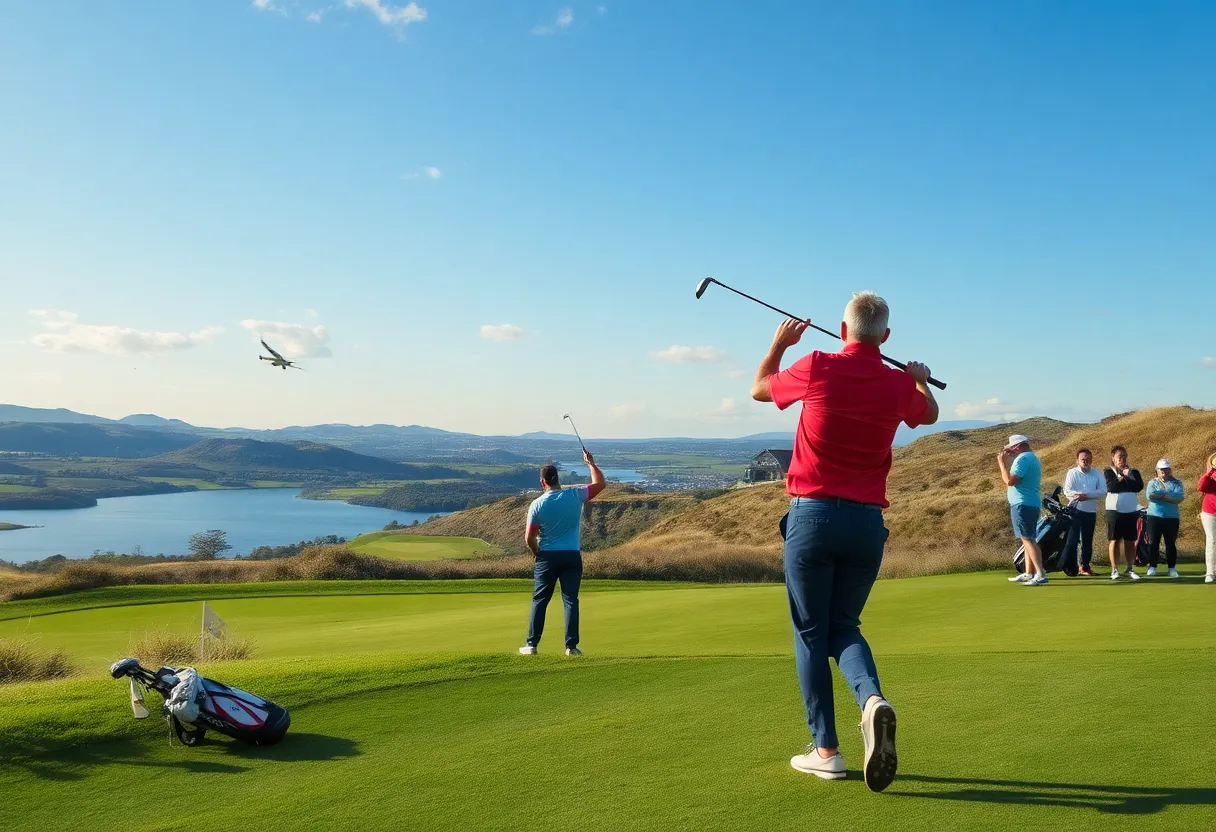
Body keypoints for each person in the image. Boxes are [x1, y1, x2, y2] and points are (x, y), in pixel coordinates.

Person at [751, 291, 938, 792]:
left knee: (812, 633)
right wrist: (919, 381)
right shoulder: (900, 384)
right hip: (866, 525)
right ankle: (871, 701)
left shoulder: (816, 364)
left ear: (841, 329)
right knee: (843, 627)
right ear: (887, 336)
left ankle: (826, 750)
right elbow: (931, 413)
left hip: (812, 519)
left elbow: (759, 389)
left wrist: (777, 344)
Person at [518, 449, 606, 657]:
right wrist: (591, 464)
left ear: (543, 482)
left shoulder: (537, 504)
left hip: (547, 556)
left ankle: (531, 645)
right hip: (571, 556)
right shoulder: (574, 495)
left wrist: (536, 552)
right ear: (558, 479)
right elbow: (600, 484)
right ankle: (571, 647)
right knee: (570, 600)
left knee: (540, 600)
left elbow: (529, 537)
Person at [999, 435, 1045, 585]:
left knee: (1028, 539)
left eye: (1012, 447)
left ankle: (1040, 574)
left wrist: (1002, 463)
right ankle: (1028, 573)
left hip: (1023, 504)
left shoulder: (1023, 459)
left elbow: (1010, 481)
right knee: (1027, 539)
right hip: (1027, 503)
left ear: (1019, 446)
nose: (1010, 450)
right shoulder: (1029, 457)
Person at [1062, 449, 1106, 576]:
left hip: (1090, 511)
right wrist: (1078, 495)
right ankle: (1071, 568)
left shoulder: (1096, 473)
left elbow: (1103, 491)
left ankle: (1085, 567)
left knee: (1087, 541)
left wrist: (1086, 495)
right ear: (1077, 460)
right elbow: (1067, 492)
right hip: (1075, 511)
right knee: (1072, 541)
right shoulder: (1072, 473)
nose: (1086, 461)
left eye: (1088, 459)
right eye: (1083, 459)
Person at [1104, 446, 1144, 580]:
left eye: (1124, 456)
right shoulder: (1108, 471)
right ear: (1113, 458)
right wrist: (1122, 479)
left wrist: (1128, 477)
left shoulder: (1133, 471)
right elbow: (1111, 487)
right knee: (1114, 540)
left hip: (1131, 509)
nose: (1122, 459)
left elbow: (1138, 486)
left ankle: (1130, 568)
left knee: (1130, 540)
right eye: (1119, 457)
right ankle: (1114, 569)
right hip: (1114, 510)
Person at [1144, 459, 1184, 578]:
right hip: (1154, 516)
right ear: (1157, 470)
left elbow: (1179, 498)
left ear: (1170, 470)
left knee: (1170, 543)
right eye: (1162, 469)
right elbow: (1150, 495)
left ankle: (1172, 568)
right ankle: (1152, 567)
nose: (1164, 471)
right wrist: (1169, 496)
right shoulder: (1152, 482)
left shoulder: (1177, 483)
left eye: (1166, 469)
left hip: (1171, 517)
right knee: (1153, 543)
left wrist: (1161, 496)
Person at [1198, 452, 1216, 584]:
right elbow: (1201, 487)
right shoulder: (1209, 477)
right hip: (1209, 512)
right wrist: (1209, 473)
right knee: (1212, 541)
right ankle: (1210, 572)